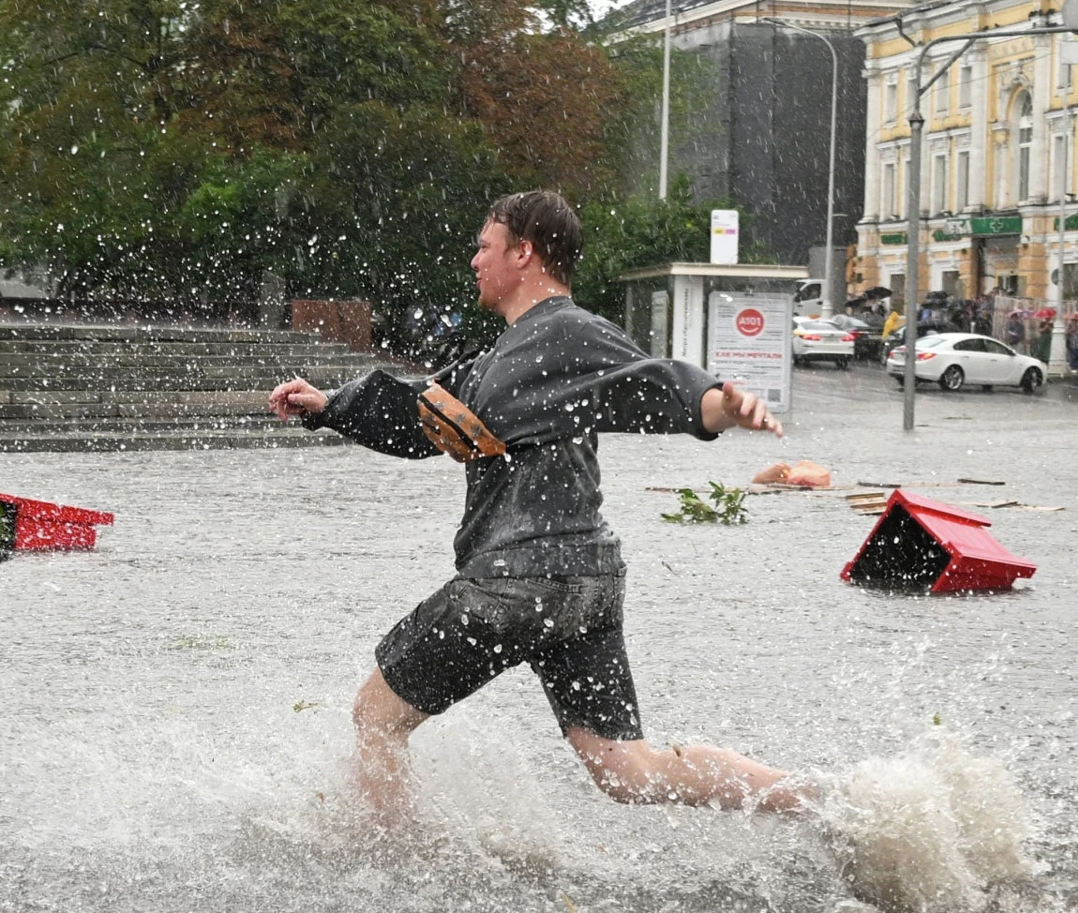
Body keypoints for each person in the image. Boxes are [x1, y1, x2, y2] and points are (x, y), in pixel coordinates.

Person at [268, 190, 808, 819]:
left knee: (376, 715)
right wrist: (330, 404)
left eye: (484, 245)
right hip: (585, 589)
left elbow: (657, 382)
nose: (474, 260)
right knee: (626, 769)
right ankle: (813, 799)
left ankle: (389, 865)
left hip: (516, 584)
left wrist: (720, 405)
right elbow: (422, 413)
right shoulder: (500, 356)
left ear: (524, 252)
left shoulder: (570, 330)